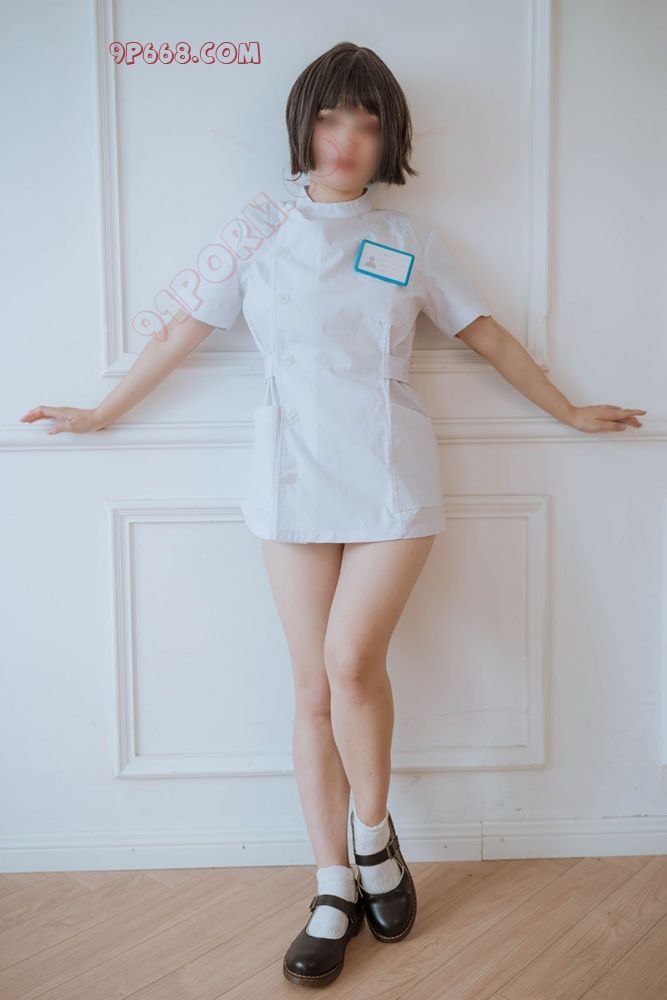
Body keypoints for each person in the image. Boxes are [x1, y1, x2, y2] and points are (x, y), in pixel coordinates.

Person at [20, 40, 646, 990]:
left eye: (365, 121)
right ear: (304, 126)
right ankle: (331, 885)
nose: (346, 138)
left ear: (387, 138)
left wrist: (565, 409)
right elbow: (185, 326)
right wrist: (104, 412)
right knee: (312, 687)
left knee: (352, 662)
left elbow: (484, 335)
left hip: (392, 474)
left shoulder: (409, 240)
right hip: (289, 476)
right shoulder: (256, 228)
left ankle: (372, 833)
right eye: (329, 117)